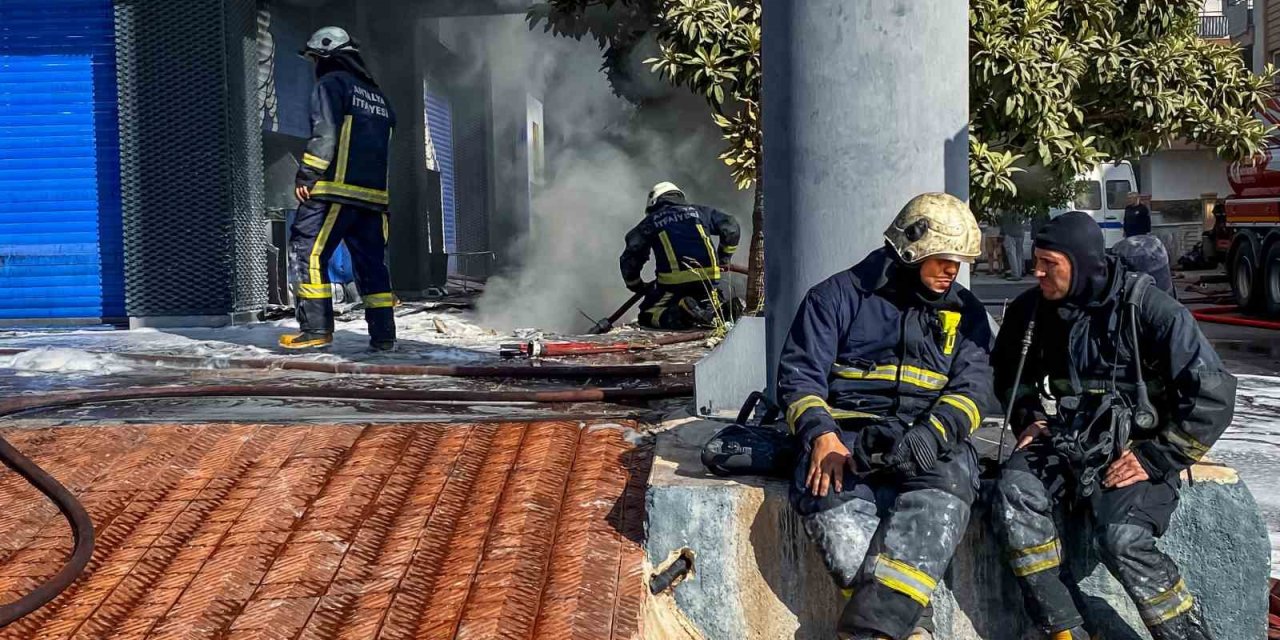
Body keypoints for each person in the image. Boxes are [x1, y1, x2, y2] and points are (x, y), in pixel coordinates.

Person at [991, 212, 1236, 640]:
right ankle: (1065, 629)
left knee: (1123, 539)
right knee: (1015, 493)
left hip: (1134, 448)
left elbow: (1214, 396)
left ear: (1081, 262)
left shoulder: (1152, 310)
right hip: (1068, 440)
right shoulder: (1033, 311)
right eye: (1036, 261)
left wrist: (1156, 456)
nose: (1037, 271)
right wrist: (1028, 417)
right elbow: (1009, 372)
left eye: (1050, 263)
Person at [777, 193, 996, 640]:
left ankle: (869, 633)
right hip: (847, 440)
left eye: (958, 261)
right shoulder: (834, 297)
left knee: (948, 492)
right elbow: (800, 380)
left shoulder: (966, 312)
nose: (952, 270)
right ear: (909, 248)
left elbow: (974, 389)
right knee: (831, 505)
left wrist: (932, 436)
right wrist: (822, 436)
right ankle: (913, 630)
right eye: (942, 259)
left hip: (932, 443)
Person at [281, 26, 397, 351]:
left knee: (307, 253)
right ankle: (384, 336)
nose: (314, 65)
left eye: (316, 58)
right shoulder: (380, 98)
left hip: (333, 192)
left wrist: (307, 176)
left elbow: (325, 133)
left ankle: (315, 329)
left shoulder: (331, 85)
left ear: (326, 57)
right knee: (372, 265)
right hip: (373, 199)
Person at [619, 182, 741, 329]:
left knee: (648, 315)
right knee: (709, 308)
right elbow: (731, 227)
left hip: (673, 286)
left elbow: (632, 253)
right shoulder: (700, 212)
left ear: (654, 202)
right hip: (709, 280)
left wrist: (637, 285)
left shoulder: (651, 221)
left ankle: (682, 314)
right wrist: (724, 258)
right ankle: (727, 311)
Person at [1000, 208, 1027, 280]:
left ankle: (1015, 274)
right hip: (1020, 232)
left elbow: (1003, 222)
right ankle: (1019, 273)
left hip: (1009, 233)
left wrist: (1001, 233)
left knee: (1011, 254)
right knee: (1019, 254)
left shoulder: (1006, 211)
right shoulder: (1021, 209)